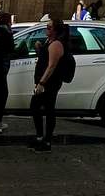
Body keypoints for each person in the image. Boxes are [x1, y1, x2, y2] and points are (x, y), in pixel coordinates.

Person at [31, 17, 73, 151]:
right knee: (40, 107)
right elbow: (45, 59)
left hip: (50, 82)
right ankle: (41, 138)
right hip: (45, 81)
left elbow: (52, 66)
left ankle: (46, 141)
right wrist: (39, 48)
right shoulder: (49, 41)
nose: (46, 29)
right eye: (46, 27)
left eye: (49, 27)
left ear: (55, 30)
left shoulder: (56, 44)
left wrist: (41, 83)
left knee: (42, 108)